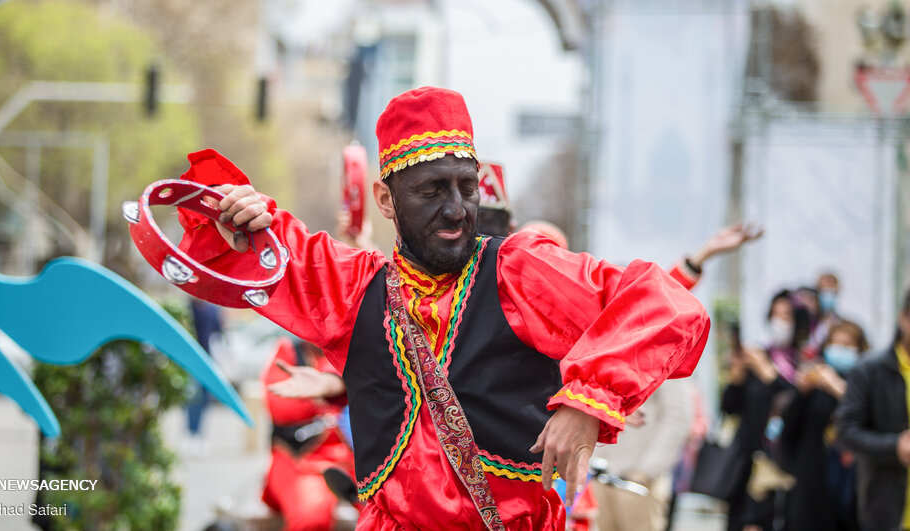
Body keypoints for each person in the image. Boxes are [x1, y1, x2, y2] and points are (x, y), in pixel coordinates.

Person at [175, 86, 710, 530]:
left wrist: (587, 401)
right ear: (386, 200)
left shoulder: (520, 272)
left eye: (466, 187)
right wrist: (234, 213)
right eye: (432, 190)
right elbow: (250, 251)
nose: (456, 210)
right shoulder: (353, 289)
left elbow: (666, 305)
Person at [592, 222, 763, 531]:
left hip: (636, 481)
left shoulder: (656, 342)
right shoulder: (588, 339)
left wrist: (645, 473)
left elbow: (678, 416)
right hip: (594, 480)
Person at [720, 290, 802, 531]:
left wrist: (769, 373)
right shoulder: (757, 356)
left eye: (786, 315)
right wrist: (737, 375)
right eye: (775, 314)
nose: (780, 321)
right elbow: (729, 407)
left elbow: (795, 403)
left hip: (784, 463)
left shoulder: (804, 361)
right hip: (748, 459)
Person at [780, 319, 868, 531]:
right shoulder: (814, 383)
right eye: (835, 345)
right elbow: (789, 427)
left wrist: (836, 386)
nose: (840, 351)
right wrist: (802, 392)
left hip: (853, 478)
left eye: (847, 346)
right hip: (814, 477)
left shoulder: (865, 381)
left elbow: (866, 415)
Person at [261, 337, 355, 530]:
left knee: (395, 508)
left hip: (357, 461)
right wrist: (325, 393)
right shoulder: (289, 351)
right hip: (301, 460)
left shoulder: (356, 346)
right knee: (311, 517)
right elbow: (280, 406)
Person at [836, 288, 910, 531]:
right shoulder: (870, 370)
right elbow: (847, 429)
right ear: (903, 318)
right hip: (886, 508)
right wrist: (894, 446)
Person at [185, 298, 224, 453]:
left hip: (208, 362)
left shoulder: (213, 310)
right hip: (189, 362)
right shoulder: (187, 309)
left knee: (205, 399)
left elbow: (218, 336)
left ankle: (199, 435)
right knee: (191, 399)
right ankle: (191, 433)